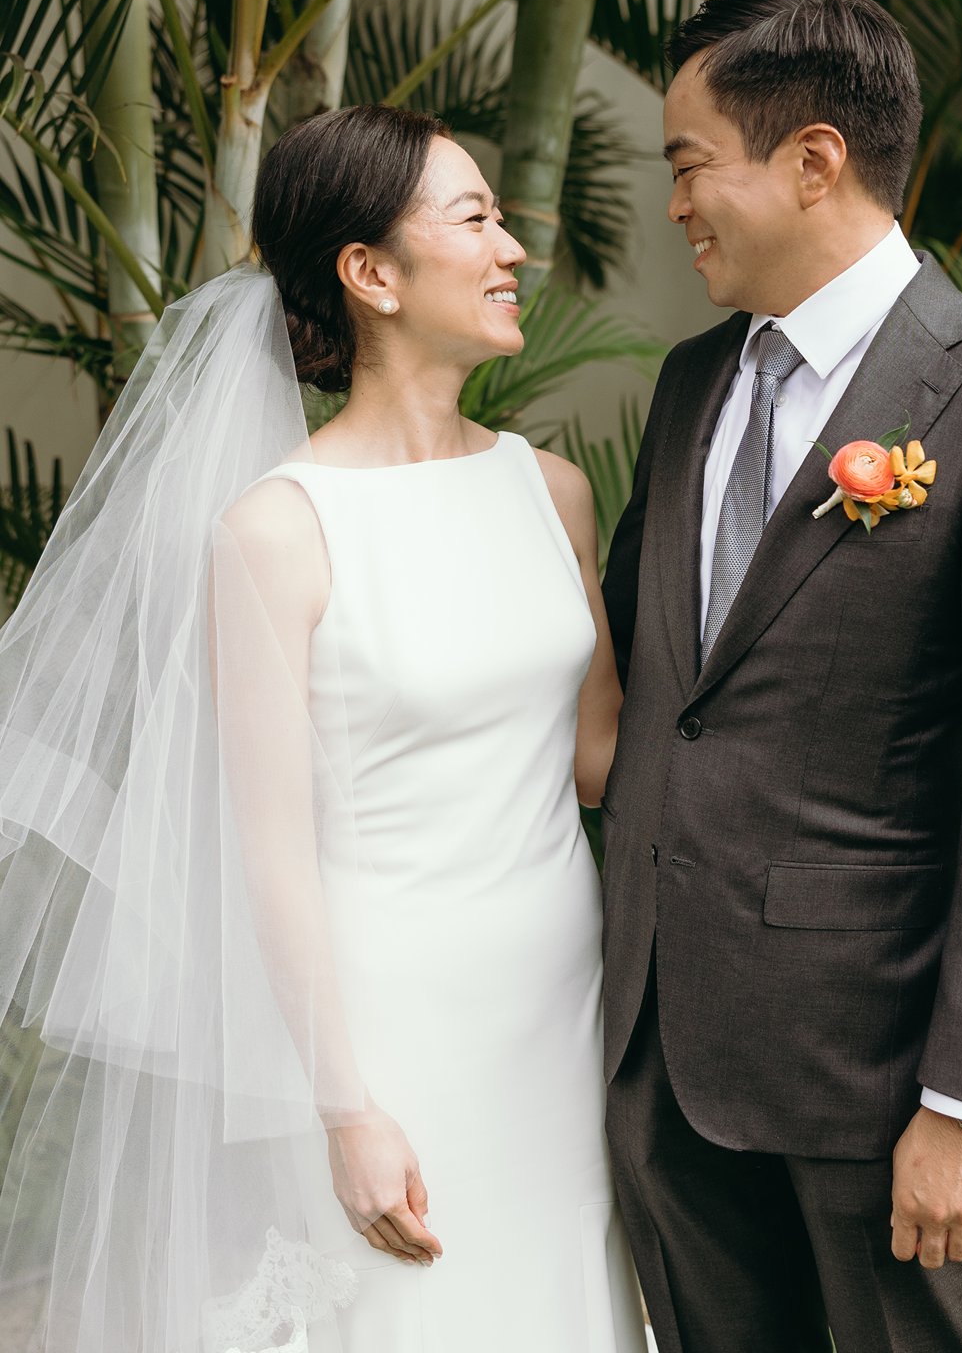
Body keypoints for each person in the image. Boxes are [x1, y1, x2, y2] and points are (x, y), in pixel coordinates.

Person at [0, 106, 645, 1352]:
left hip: (564, 1006)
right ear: (369, 274)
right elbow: (266, 853)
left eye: (502, 217)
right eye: (475, 219)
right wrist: (345, 1107)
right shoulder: (276, 532)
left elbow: (602, 756)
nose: (513, 247)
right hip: (393, 1027)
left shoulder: (548, 487)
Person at [600, 0, 962, 1353]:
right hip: (665, 1053)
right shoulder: (688, 384)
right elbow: (667, 696)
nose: (676, 204)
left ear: (814, 160)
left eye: (689, 164)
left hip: (869, 1074)